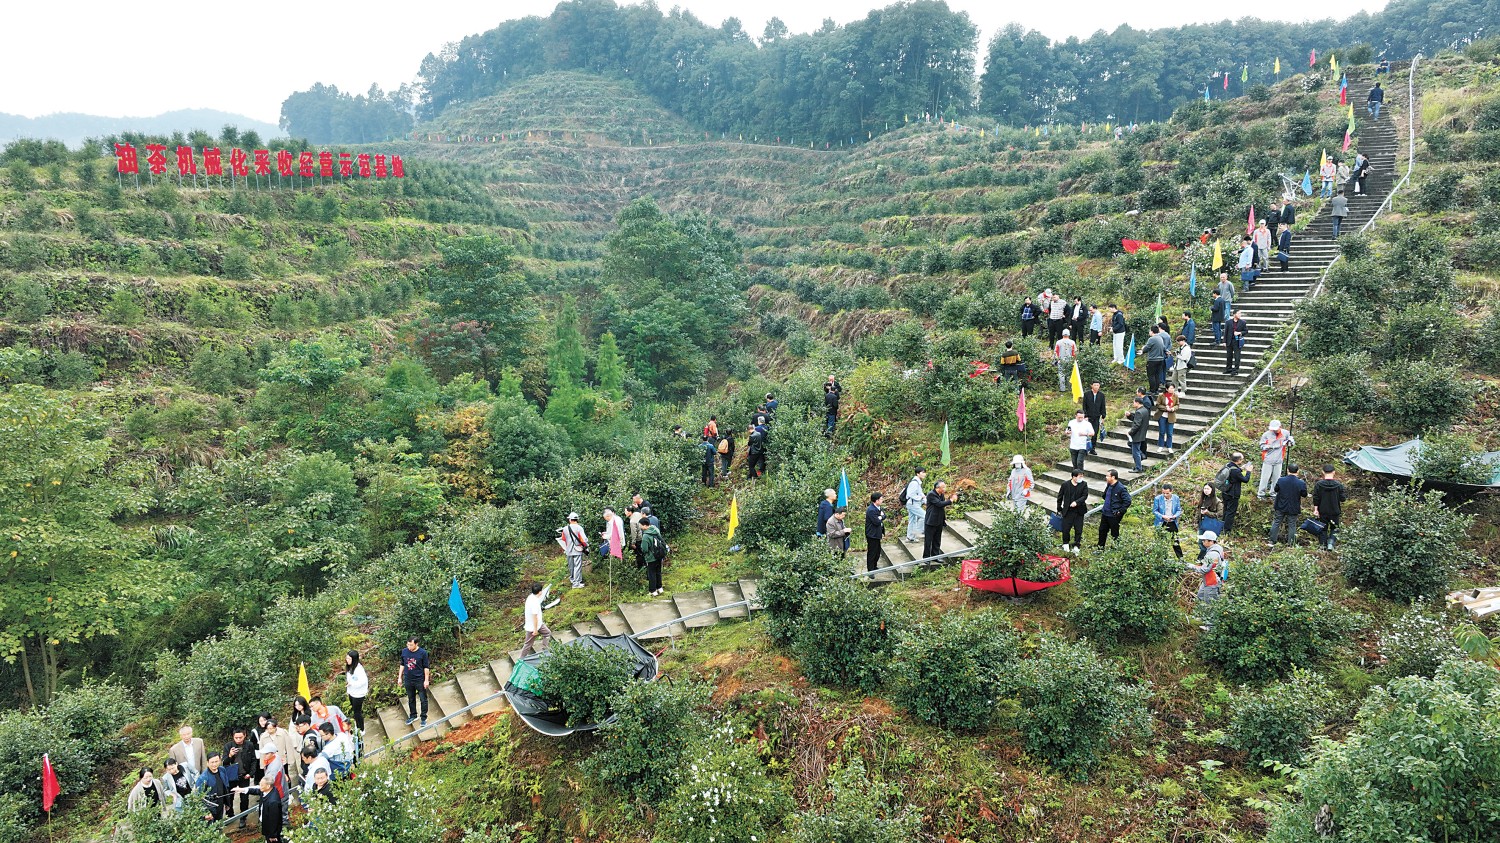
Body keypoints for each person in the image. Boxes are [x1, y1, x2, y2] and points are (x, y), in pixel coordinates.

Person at [1187, 531, 1226, 628]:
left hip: (1212, 582)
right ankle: (1201, 617)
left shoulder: (1212, 554)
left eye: (1204, 540)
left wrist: (1190, 566)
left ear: (1210, 541)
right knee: (1200, 597)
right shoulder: (1217, 549)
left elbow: (1204, 569)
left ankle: (1210, 626)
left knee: (1210, 603)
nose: (1203, 542)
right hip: (1207, 580)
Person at [1311, 464, 1349, 551]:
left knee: (1322, 528)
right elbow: (1343, 499)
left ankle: (1323, 546)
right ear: (1334, 472)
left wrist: (1316, 509)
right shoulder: (1339, 485)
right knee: (1334, 528)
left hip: (1322, 510)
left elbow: (1316, 498)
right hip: (1335, 510)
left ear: (1323, 472)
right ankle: (1330, 544)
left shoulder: (1318, 484)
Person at [1269, 463, 1308, 546]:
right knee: (1292, 525)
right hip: (1293, 506)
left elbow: (1276, 489)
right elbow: (1304, 494)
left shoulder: (1281, 480)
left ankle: (1272, 540)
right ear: (1297, 471)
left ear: (1287, 470)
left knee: (1276, 522)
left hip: (1280, 505)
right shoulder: (1301, 483)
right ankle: (1291, 543)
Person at [1256, 420, 1295, 499]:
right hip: (1268, 459)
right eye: (1273, 429)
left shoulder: (1286, 433)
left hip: (1279, 459)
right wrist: (1268, 446)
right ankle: (1261, 493)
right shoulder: (1266, 435)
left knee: (1276, 478)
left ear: (1280, 427)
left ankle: (1273, 493)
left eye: (1276, 429)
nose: (1274, 430)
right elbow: (1261, 445)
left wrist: (1291, 441)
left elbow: (1290, 444)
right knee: (1265, 478)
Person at [398, 636, 430, 727]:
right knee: (411, 698)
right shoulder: (404, 651)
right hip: (408, 679)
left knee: (423, 699)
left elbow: (426, 667)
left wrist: (426, 680)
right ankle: (413, 715)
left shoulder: (423, 653)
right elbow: (402, 664)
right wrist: (400, 677)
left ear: (416, 644)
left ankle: (423, 718)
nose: (409, 647)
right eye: (408, 644)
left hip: (419, 679)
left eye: (411, 645)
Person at [1056, 469, 1089, 553]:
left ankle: (1077, 545)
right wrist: (1059, 508)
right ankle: (1065, 543)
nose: (1081, 478)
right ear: (1074, 477)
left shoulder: (1084, 484)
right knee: (1066, 528)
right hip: (1068, 511)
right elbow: (1060, 497)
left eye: (1082, 476)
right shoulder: (1065, 484)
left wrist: (1076, 502)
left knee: (1078, 529)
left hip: (1079, 511)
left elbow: (1084, 496)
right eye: (1080, 476)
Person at [1097, 470, 1131, 548]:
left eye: (1107, 476)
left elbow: (1127, 501)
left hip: (1114, 515)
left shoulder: (1121, 488)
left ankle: (1115, 548)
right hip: (1105, 513)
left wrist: (1120, 511)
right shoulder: (1109, 485)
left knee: (1114, 533)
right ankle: (1100, 548)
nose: (1106, 477)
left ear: (1113, 477)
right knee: (1102, 531)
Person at [923, 481, 957, 559]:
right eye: (943, 487)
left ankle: (935, 556)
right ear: (937, 488)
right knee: (928, 541)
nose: (945, 489)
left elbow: (942, 505)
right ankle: (926, 557)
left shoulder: (941, 494)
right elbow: (939, 504)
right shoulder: (931, 494)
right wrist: (951, 500)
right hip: (931, 521)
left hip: (939, 520)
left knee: (937, 540)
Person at [1220, 452, 1252, 534]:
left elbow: (1234, 472)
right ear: (1239, 460)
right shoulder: (1236, 471)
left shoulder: (1227, 465)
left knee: (1225, 510)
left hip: (1225, 491)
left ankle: (1221, 526)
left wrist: (1241, 468)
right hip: (1233, 494)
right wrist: (1248, 471)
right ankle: (1226, 531)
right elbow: (1245, 480)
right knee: (1231, 512)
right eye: (1242, 459)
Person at [198, 752, 235, 822]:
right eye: (212, 762)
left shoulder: (222, 770)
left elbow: (226, 786)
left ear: (220, 761)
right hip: (210, 808)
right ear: (207, 763)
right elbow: (199, 797)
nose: (214, 764)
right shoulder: (203, 778)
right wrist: (205, 812)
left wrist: (227, 803)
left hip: (220, 805)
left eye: (216, 761)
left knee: (219, 824)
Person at [519, 583, 553, 658]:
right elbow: (534, 617)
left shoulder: (531, 597)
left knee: (547, 633)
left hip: (539, 624)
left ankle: (546, 651)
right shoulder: (534, 603)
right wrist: (535, 630)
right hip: (532, 627)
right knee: (528, 644)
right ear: (540, 592)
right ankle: (521, 659)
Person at [1153, 483, 1184, 558]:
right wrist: (1162, 516)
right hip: (1162, 522)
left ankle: (1180, 558)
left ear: (1171, 491)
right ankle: (1162, 558)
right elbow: (1155, 511)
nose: (1165, 495)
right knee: (1161, 541)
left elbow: (1179, 510)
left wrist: (1174, 516)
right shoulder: (1158, 499)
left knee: (1175, 541)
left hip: (1172, 522)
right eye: (1163, 493)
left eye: (1167, 493)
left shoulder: (1176, 498)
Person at [340, 651, 367, 734]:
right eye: (346, 658)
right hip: (352, 692)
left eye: (349, 659)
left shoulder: (359, 669)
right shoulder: (350, 667)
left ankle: (361, 730)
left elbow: (363, 682)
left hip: (358, 694)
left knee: (357, 713)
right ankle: (358, 727)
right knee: (355, 712)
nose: (347, 660)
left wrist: (352, 684)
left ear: (354, 659)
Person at [561, 512, 589, 589]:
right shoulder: (579, 528)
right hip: (577, 550)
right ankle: (576, 584)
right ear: (577, 519)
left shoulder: (565, 528)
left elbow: (563, 539)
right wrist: (585, 546)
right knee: (577, 566)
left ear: (570, 520)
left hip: (568, 550)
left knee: (571, 566)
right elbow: (584, 539)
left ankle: (572, 580)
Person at [641, 516, 667, 596]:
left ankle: (653, 591)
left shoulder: (645, 536)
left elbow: (644, 549)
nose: (640, 527)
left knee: (651, 573)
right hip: (659, 555)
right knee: (658, 572)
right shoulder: (655, 529)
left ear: (645, 525)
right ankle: (660, 588)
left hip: (651, 557)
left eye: (641, 525)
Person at [257, 775, 285, 843]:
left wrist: (273, 835)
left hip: (271, 830)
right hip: (267, 825)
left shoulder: (273, 802)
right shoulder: (271, 789)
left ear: (268, 786)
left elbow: (273, 820)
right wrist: (243, 790)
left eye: (261, 785)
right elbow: (256, 790)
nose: (260, 786)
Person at [1125, 398, 1150, 473]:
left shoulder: (1139, 412)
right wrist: (1130, 415)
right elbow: (1137, 419)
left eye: (1134, 402)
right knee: (1133, 447)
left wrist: (1130, 432)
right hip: (1142, 433)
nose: (1133, 404)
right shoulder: (1145, 410)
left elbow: (1137, 424)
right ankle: (1139, 463)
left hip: (1137, 434)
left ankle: (1138, 468)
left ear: (1137, 403)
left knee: (1135, 452)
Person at [1143, 324, 1169, 394]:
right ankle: (1156, 390)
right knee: (1157, 375)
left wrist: (1143, 349)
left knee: (1151, 375)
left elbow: (1146, 348)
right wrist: (1166, 351)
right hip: (1160, 360)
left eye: (1149, 331)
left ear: (1152, 331)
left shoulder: (1151, 339)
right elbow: (1163, 347)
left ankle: (1152, 390)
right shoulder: (1160, 337)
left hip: (1152, 360)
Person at [903, 469, 927, 543]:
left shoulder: (917, 482)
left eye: (925, 472)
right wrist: (920, 498)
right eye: (923, 472)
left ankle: (910, 537)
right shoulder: (914, 483)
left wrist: (924, 500)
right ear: (917, 474)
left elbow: (920, 493)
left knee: (912, 520)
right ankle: (918, 532)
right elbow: (910, 494)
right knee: (925, 516)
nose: (924, 474)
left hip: (913, 504)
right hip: (913, 504)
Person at [863, 493, 885, 573]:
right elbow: (876, 521)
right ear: (876, 500)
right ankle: (870, 569)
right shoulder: (871, 510)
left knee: (877, 551)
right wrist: (881, 517)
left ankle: (874, 566)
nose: (882, 500)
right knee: (872, 552)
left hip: (877, 533)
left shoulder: (878, 507)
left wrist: (880, 517)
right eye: (881, 499)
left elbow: (884, 515)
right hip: (872, 534)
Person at [1081, 382, 1106, 452]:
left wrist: (1103, 416)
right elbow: (1084, 406)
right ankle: (1084, 448)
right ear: (1091, 385)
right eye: (1095, 385)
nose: (1096, 386)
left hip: (1096, 417)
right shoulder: (1087, 394)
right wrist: (1085, 416)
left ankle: (1093, 448)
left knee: (1095, 432)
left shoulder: (1101, 395)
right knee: (1086, 433)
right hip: (1088, 417)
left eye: (1097, 385)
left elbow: (1103, 406)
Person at [1225, 311, 1248, 375]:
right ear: (1234, 314)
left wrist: (1239, 333)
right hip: (1229, 341)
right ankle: (1228, 369)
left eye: (1240, 313)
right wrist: (1224, 341)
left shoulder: (1242, 322)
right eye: (1238, 313)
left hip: (1237, 341)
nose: (1240, 315)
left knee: (1237, 356)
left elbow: (1246, 331)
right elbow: (1226, 332)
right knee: (1229, 356)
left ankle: (1236, 370)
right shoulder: (1228, 322)